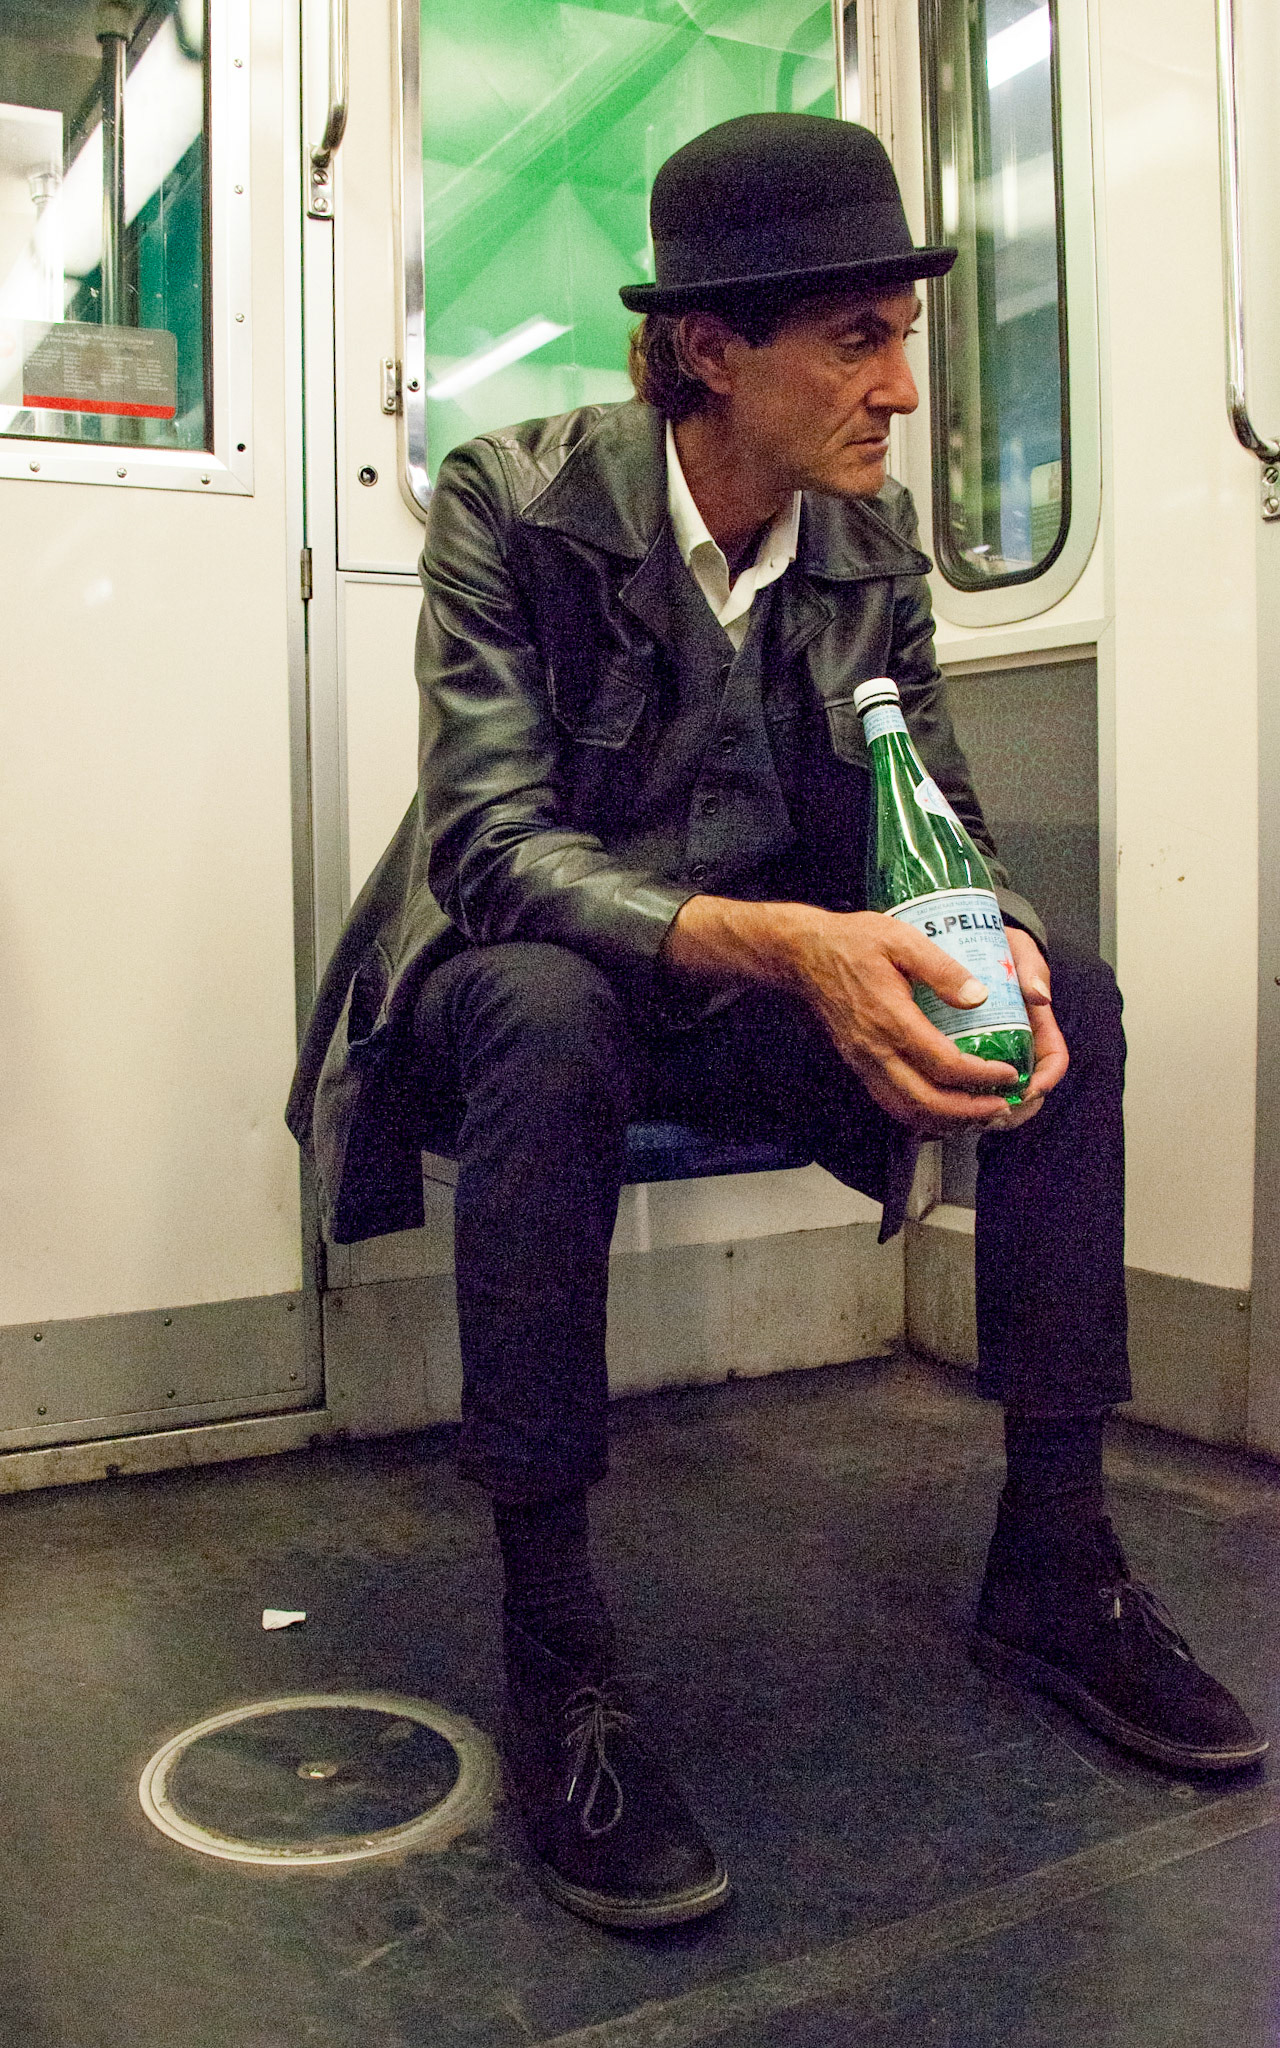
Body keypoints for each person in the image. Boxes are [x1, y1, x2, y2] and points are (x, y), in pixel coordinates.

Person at [287, 114, 1266, 1929]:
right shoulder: (515, 499)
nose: (904, 389)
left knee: (1085, 1015)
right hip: (522, 977)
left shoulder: (866, 541)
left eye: (907, 337)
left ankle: (1056, 1567)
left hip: (751, 981)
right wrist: (785, 941)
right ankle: (561, 1649)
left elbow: (936, 819)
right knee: (549, 1017)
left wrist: (1004, 939)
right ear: (709, 352)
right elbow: (494, 847)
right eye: (860, 341)